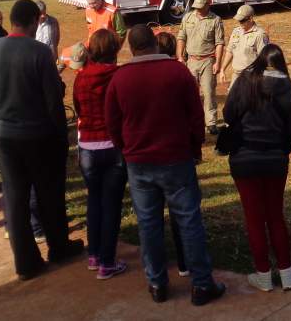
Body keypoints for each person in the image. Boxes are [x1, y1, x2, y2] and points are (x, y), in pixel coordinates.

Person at [105, 25, 226, 306]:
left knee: (149, 225)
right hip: (176, 159)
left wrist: (126, 150)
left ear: (131, 49)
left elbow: (112, 123)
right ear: (155, 45)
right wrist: (195, 148)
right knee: (189, 221)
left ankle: (158, 283)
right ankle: (201, 284)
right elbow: (196, 116)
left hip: (139, 163)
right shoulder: (177, 72)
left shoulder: (121, 78)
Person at [0, 0, 83, 281]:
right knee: (49, 192)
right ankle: (58, 247)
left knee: (15, 196)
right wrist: (62, 138)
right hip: (38, 134)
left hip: (4, 135)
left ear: (12, 20)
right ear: (35, 21)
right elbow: (53, 101)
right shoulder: (39, 52)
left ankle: (25, 262)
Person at [223, 44, 291, 291]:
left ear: (259, 60)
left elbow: (228, 115)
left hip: (244, 158)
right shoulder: (288, 87)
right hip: (276, 159)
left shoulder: (244, 81)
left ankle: (263, 274)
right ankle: (287, 273)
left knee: (254, 218)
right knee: (275, 215)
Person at [71, 33, 128, 280]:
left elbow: (78, 108)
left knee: (94, 199)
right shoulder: (119, 77)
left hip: (88, 146)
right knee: (111, 204)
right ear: (114, 50)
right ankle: (107, 261)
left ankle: (94, 255)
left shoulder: (80, 77)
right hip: (113, 146)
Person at [154, 30, 191, 278]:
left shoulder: (138, 76)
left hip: (147, 156)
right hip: (177, 153)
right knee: (182, 214)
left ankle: (157, 273)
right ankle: (185, 264)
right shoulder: (181, 74)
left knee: (151, 217)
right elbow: (193, 114)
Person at [176, 0, 225, 135]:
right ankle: (193, 120)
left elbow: (219, 43)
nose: (197, 9)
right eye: (195, 7)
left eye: (200, 7)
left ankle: (211, 123)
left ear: (207, 5)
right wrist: (180, 56)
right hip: (191, 60)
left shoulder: (216, 20)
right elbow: (181, 37)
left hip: (208, 61)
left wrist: (218, 63)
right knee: (191, 93)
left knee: (209, 92)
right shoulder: (188, 17)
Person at [219, 4, 269, 88]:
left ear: (250, 18)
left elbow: (264, 58)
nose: (240, 23)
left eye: (242, 20)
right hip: (236, 75)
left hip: (252, 76)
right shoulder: (236, 31)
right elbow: (230, 51)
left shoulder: (260, 34)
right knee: (233, 99)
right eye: (238, 20)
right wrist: (222, 69)